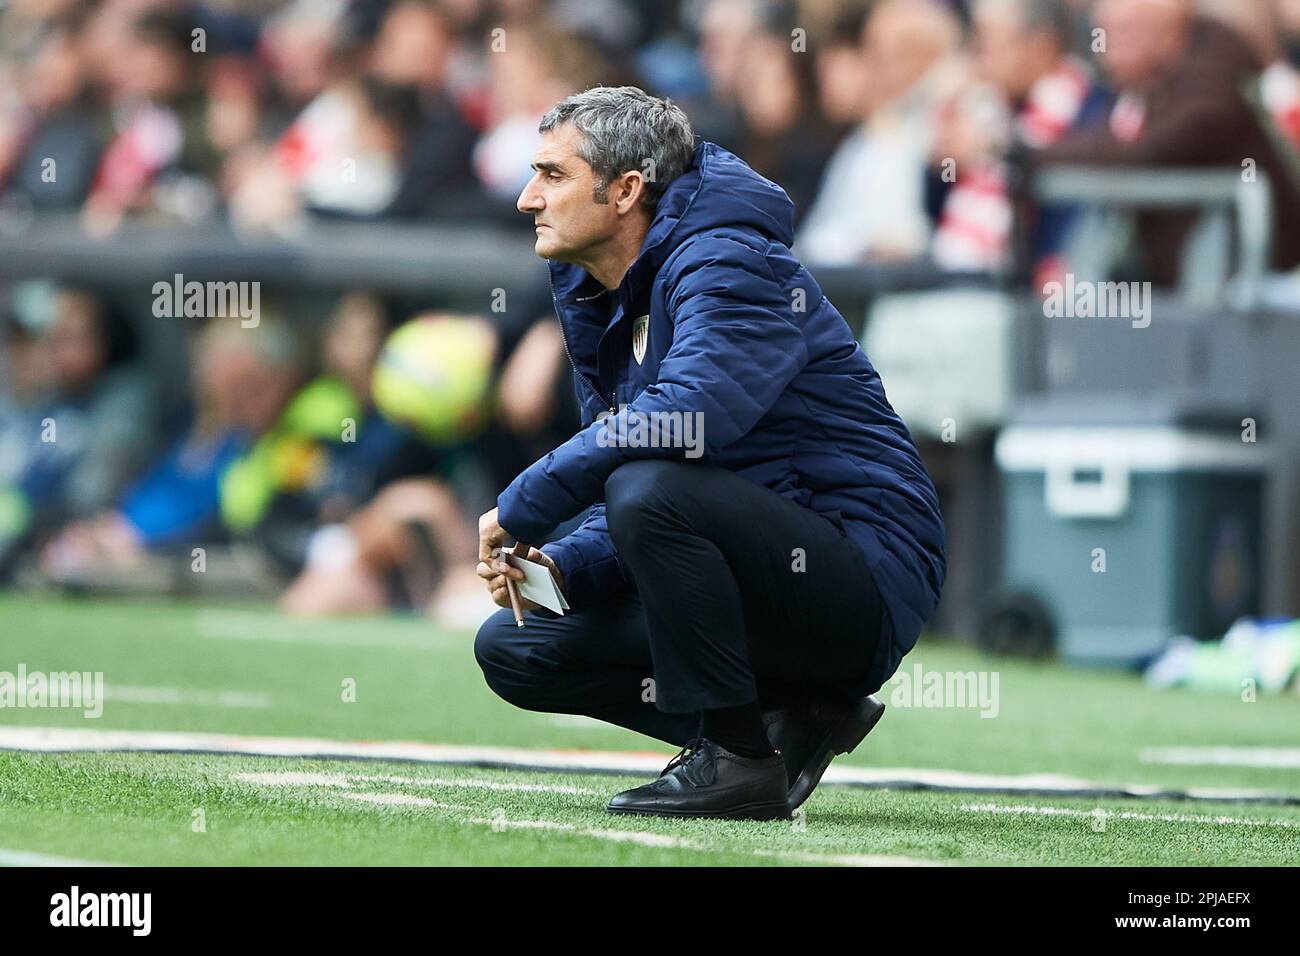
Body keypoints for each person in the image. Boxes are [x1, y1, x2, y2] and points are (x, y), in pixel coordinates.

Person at [473, 87, 946, 820]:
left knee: (644, 483)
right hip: (753, 563)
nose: (528, 198)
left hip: (861, 572)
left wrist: (527, 501)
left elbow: (686, 422)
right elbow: (650, 475)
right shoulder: (599, 282)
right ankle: (798, 716)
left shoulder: (729, 259)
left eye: (553, 175)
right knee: (517, 646)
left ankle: (739, 760)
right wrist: (566, 565)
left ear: (626, 190)